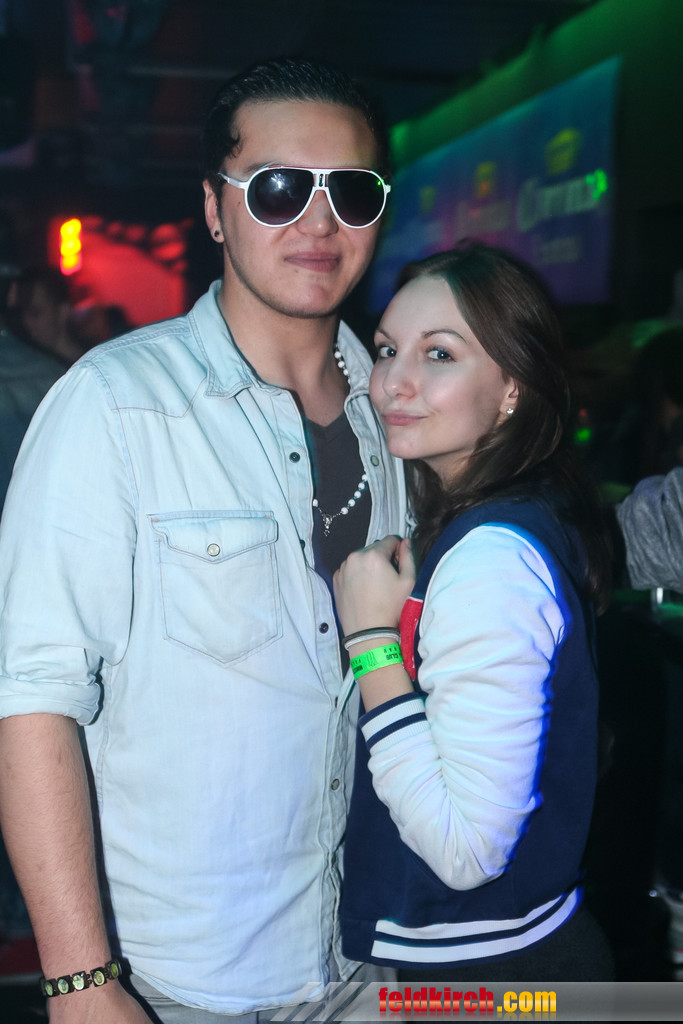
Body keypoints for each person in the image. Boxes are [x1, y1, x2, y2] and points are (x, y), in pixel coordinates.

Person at [0, 58, 406, 1022]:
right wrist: (80, 982)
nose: (318, 221)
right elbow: (31, 699)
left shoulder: (400, 418)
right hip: (180, 983)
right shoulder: (115, 405)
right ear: (215, 210)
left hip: (368, 963)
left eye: (350, 191)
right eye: (278, 188)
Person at [333, 242, 614, 982]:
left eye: (439, 354)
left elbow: (466, 851)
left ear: (512, 388)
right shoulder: (503, 514)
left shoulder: (489, 560)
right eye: (387, 349)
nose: (393, 381)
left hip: (496, 980)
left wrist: (370, 640)